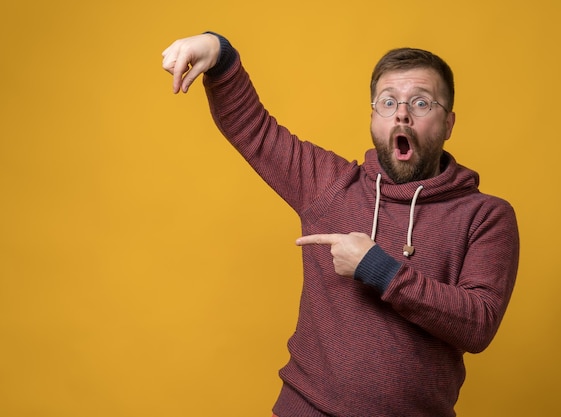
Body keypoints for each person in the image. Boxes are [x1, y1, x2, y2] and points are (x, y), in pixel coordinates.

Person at [162, 31, 519, 417]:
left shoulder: (486, 216)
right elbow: (254, 129)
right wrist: (220, 52)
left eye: (420, 101)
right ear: (372, 117)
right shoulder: (330, 185)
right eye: (388, 102)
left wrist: (377, 269)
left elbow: (478, 323)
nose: (402, 113)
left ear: (448, 123)